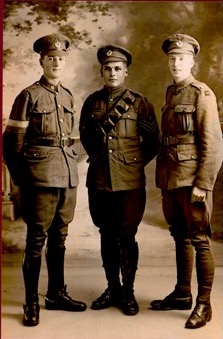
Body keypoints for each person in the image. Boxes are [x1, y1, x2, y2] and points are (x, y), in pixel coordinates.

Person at [3, 33, 87, 327]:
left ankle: (55, 294)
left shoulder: (67, 95)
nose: (56, 62)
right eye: (51, 58)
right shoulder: (28, 95)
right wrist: (22, 181)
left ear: (65, 62)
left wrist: (74, 160)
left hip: (66, 177)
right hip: (38, 179)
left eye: (61, 58)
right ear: (42, 61)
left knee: (60, 238)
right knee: (36, 240)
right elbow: (12, 143)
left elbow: (74, 139)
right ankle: (30, 302)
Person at [79, 44, 160, 316]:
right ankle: (112, 287)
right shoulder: (92, 102)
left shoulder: (140, 102)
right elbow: (88, 139)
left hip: (130, 183)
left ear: (125, 72)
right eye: (107, 68)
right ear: (101, 71)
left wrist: (132, 163)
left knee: (127, 237)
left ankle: (128, 291)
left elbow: (152, 142)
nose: (112, 72)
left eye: (117, 68)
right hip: (100, 180)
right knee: (106, 235)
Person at [150, 33, 223, 329]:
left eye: (182, 58)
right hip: (171, 177)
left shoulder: (201, 93)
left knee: (199, 240)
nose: (176, 63)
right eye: (172, 58)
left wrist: (202, 184)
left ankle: (204, 304)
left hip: (192, 180)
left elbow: (213, 144)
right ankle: (182, 293)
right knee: (179, 236)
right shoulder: (172, 93)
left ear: (193, 61)